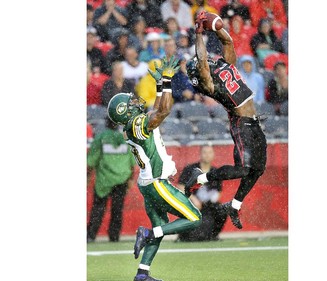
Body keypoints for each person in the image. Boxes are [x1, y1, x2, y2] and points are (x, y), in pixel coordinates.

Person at [107, 56, 202, 281]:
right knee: (194, 218)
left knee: (161, 225)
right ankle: (147, 233)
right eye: (129, 104)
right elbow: (163, 112)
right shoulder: (136, 124)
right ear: (124, 112)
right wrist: (168, 80)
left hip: (148, 183)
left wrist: (160, 85)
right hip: (156, 182)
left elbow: (158, 108)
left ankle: (142, 274)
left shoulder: (132, 124)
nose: (134, 103)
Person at [185, 11, 267, 229]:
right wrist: (199, 33)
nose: (209, 60)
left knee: (258, 169)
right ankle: (199, 178)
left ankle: (235, 206)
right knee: (242, 169)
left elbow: (227, 41)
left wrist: (215, 25)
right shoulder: (208, 84)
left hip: (254, 122)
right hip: (241, 124)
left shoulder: (224, 64)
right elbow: (202, 61)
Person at [87, 117, 136, 242]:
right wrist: (131, 179)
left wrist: (87, 177)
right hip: (122, 179)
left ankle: (91, 236)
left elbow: (92, 160)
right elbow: (132, 163)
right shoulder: (125, 139)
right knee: (117, 210)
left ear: (106, 123)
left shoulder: (101, 138)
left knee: (98, 209)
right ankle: (114, 237)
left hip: (104, 180)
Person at [177, 144, 227, 242]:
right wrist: (193, 199)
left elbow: (219, 192)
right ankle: (183, 235)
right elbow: (180, 186)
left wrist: (212, 200)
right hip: (192, 206)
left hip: (208, 207)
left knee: (223, 210)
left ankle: (213, 235)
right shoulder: (191, 169)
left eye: (209, 152)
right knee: (194, 236)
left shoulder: (216, 172)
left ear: (213, 155)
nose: (207, 155)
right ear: (200, 154)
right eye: (205, 152)